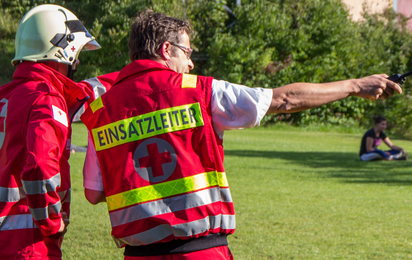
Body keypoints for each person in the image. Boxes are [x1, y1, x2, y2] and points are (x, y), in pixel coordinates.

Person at [80, 10, 402, 260]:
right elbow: (283, 100)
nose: (191, 63)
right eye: (187, 52)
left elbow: (94, 193)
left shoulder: (101, 110)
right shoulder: (201, 91)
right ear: (167, 49)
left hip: (137, 254)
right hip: (201, 251)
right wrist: (355, 85)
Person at [0, 4, 101, 259]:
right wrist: (53, 224)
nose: (77, 61)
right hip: (27, 242)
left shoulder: (7, 96)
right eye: (75, 53)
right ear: (61, 50)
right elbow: (39, 169)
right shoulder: (46, 99)